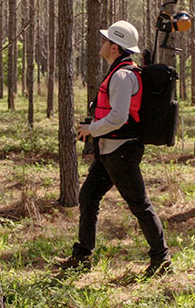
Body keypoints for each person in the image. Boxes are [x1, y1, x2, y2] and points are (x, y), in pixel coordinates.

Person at [55, 20, 171, 277]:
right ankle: (83, 256)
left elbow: (118, 117)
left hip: (121, 152)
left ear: (115, 47)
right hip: (110, 151)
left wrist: (91, 130)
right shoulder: (120, 72)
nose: (102, 43)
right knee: (88, 197)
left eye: (106, 40)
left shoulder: (121, 76)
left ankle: (161, 259)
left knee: (140, 205)